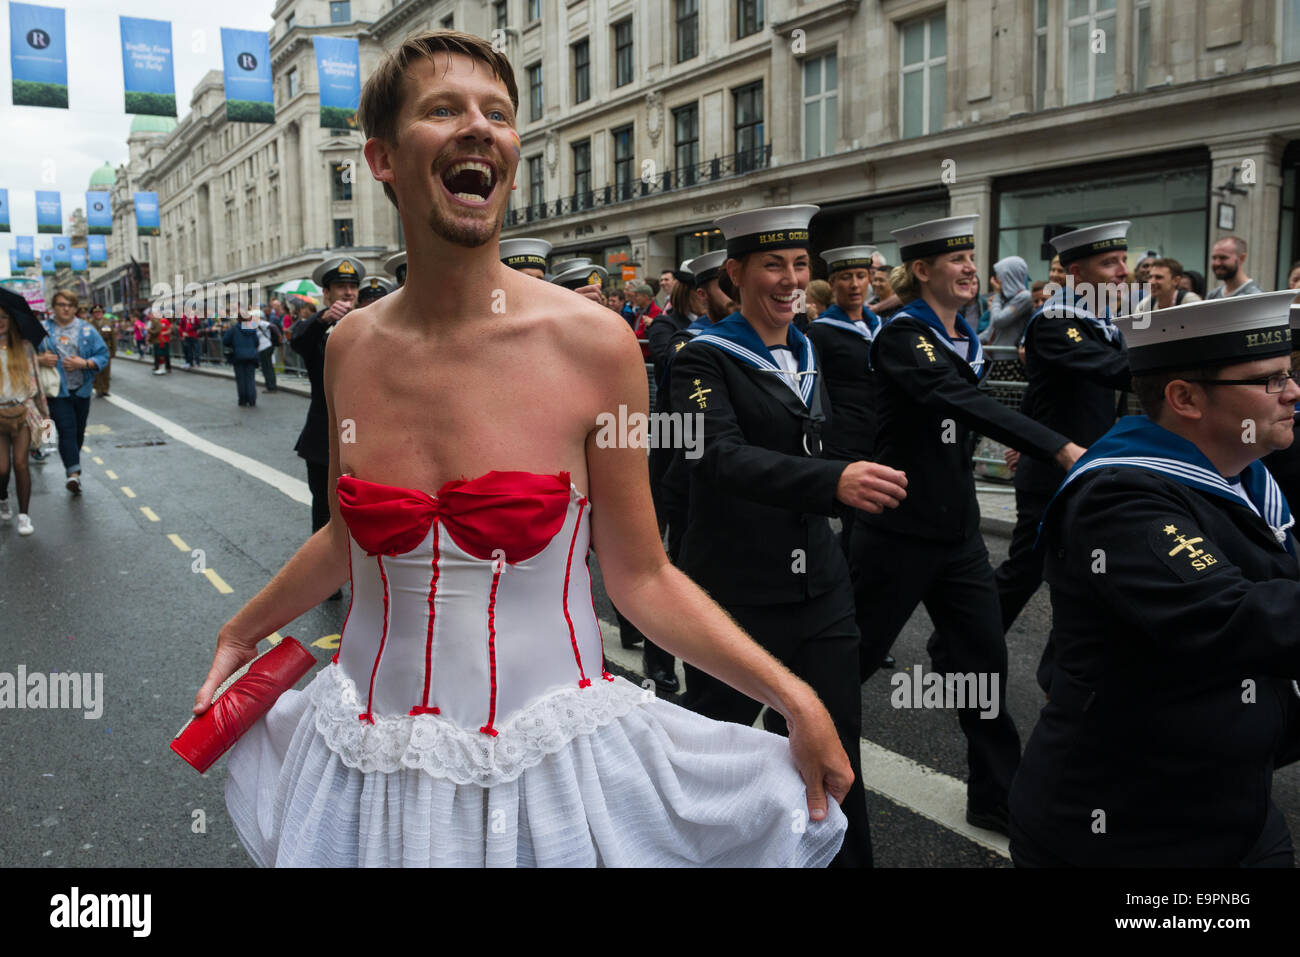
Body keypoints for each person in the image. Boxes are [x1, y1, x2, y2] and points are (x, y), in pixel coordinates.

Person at [197, 30, 854, 869]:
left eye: (497, 114)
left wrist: (791, 695)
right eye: (444, 109)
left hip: (545, 780)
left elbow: (640, 573)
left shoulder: (597, 343)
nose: (479, 127)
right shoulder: (349, 346)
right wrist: (242, 627)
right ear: (383, 158)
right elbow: (347, 535)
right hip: (370, 770)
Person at [1010, 289, 1300, 867]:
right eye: (1269, 379)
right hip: (1128, 827)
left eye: (1290, 373)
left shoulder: (1245, 467)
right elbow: (1225, 615)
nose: (1292, 392)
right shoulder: (1120, 497)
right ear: (1185, 397)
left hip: (1235, 803)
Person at [670, 205, 910, 867]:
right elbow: (713, 456)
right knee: (717, 752)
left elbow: (832, 432)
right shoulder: (701, 361)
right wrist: (832, 480)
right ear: (735, 273)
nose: (791, 277)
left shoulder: (807, 349)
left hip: (821, 589)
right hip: (733, 592)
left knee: (836, 750)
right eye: (774, 263)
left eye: (800, 263)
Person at [850, 215, 1082, 836]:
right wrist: (1055, 447)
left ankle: (996, 795)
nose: (970, 269)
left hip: (957, 535)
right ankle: (795, 758)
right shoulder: (906, 336)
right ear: (922, 270)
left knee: (982, 663)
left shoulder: (964, 333)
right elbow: (959, 400)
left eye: (973, 259)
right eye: (956, 259)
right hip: (897, 529)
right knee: (851, 659)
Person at [994, 222, 1133, 636]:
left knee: (1091, 574)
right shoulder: (1056, 320)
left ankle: (1073, 675)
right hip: (1054, 475)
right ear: (1075, 273)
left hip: (1091, 469)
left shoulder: (1101, 321)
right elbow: (1112, 370)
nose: (1123, 270)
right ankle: (962, 643)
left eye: (1123, 260)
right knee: (1026, 570)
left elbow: (1043, 394)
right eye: (1110, 262)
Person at [291, 254, 364, 598]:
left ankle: (367, 575)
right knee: (324, 508)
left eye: (352, 286)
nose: (347, 293)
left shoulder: (373, 323)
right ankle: (326, 580)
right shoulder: (317, 329)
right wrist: (322, 320)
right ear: (326, 294)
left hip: (367, 437)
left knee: (367, 509)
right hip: (323, 437)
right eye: (340, 287)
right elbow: (296, 340)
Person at [35, 290, 108, 495]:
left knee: (77, 432)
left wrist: (84, 363)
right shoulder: (43, 330)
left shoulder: (87, 330)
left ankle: (72, 463)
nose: (65, 308)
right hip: (57, 391)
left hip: (82, 390)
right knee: (66, 430)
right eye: (61, 304)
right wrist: (40, 359)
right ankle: (73, 475)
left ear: (75, 308)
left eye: (69, 304)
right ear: (54, 308)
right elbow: (26, 353)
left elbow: (103, 354)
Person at [0, 291, 50, 535]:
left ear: (12, 320)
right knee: (1, 468)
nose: (0, 321)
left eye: (4, 317)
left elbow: (38, 387)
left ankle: (24, 516)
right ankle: (2, 499)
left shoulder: (26, 348)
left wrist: (46, 419)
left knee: (21, 463)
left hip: (23, 413)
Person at [979, 256, 1033, 347]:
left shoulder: (1024, 297)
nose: (996, 279)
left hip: (1009, 358)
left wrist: (997, 294)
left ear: (1009, 276)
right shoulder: (1006, 298)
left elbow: (998, 321)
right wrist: (970, 340)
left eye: (999, 275)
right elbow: (991, 330)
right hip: (996, 356)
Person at [1134, 256, 1202, 313]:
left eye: (1158, 277)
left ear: (1176, 280)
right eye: (1150, 277)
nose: (1152, 282)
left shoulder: (1191, 302)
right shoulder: (1144, 306)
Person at [223, 311, 261, 408]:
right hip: (251, 356)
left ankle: (243, 400)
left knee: (241, 379)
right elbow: (256, 342)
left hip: (238, 356)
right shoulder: (252, 328)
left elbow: (225, 341)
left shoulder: (233, 329)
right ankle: (252, 399)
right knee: (250, 379)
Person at [250, 308, 279, 393]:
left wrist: (279, 336)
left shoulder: (259, 322)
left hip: (264, 347)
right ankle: (272, 386)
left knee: (267, 368)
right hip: (266, 346)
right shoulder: (256, 323)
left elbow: (273, 326)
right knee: (269, 367)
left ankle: (270, 386)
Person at [89, 304, 114, 396]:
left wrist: (113, 352)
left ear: (103, 313)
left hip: (106, 350)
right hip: (94, 351)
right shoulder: (89, 324)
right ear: (93, 314)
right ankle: (99, 389)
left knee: (106, 371)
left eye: (99, 312)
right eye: (96, 312)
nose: (98, 314)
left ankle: (105, 389)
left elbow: (112, 338)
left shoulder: (108, 323)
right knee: (97, 371)